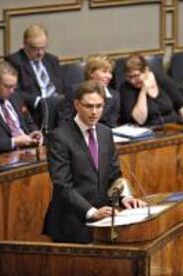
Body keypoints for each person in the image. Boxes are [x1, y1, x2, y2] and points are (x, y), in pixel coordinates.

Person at [43, 80, 146, 243]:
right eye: (89, 106)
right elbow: (62, 185)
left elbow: (114, 176)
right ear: (76, 105)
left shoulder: (105, 132)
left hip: (103, 221)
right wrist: (92, 212)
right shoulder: (60, 137)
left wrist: (125, 198)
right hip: (71, 223)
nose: (94, 112)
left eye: (99, 106)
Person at [5, 24, 64, 131]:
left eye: (43, 47)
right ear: (25, 45)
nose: (40, 52)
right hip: (34, 110)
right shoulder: (14, 62)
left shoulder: (52, 60)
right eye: (35, 49)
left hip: (58, 107)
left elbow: (61, 86)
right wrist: (37, 101)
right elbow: (13, 92)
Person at [119, 53, 183, 126]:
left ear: (146, 70)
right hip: (149, 131)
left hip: (174, 125)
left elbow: (182, 106)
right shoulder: (125, 89)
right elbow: (139, 120)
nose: (132, 81)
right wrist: (143, 92)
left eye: (136, 76)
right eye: (129, 77)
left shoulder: (161, 78)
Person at [58, 54, 120, 128]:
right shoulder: (74, 91)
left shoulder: (114, 95)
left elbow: (112, 124)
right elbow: (65, 121)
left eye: (110, 72)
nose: (109, 76)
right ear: (91, 73)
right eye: (104, 72)